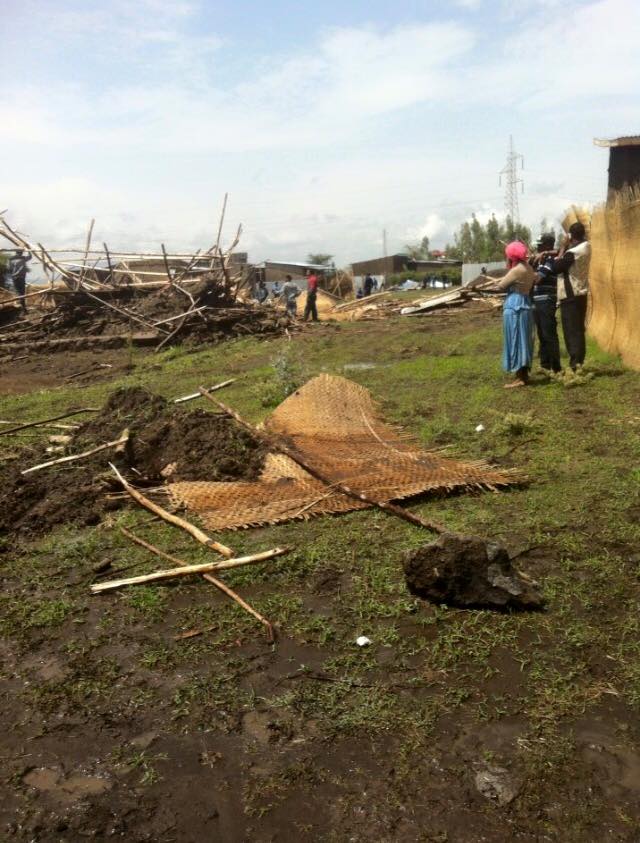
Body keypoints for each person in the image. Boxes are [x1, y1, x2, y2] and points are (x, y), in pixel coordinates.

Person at [481, 241, 536, 388]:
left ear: (511, 256)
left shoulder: (516, 270)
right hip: (526, 304)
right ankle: (524, 374)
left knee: (515, 339)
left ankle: (519, 378)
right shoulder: (529, 268)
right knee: (524, 340)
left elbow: (501, 286)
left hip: (514, 306)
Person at [552, 222, 591, 371]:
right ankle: (579, 362)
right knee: (579, 329)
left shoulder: (572, 253)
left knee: (571, 331)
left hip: (570, 295)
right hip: (581, 293)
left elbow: (556, 267)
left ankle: (575, 365)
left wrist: (563, 247)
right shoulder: (587, 246)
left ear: (570, 236)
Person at [531, 234, 561, 374]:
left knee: (549, 334)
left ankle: (556, 368)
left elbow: (538, 279)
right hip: (538, 300)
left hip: (547, 300)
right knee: (542, 334)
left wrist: (529, 273)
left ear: (548, 245)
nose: (537, 247)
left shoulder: (551, 259)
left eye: (540, 245)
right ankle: (545, 366)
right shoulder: (541, 260)